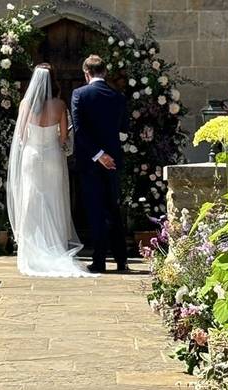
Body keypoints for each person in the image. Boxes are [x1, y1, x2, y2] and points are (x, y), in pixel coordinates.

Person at [7, 64, 94, 278]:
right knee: (54, 198)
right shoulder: (59, 105)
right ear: (53, 80)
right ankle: (54, 246)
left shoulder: (25, 104)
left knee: (31, 199)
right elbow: (64, 138)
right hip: (53, 156)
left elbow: (21, 137)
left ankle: (31, 252)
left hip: (31, 156)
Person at [70, 54, 130, 274]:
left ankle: (99, 261)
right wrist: (108, 153)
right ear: (104, 72)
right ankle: (121, 259)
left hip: (91, 161)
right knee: (113, 209)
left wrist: (98, 154)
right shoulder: (118, 96)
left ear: (87, 73)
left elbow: (79, 130)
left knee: (96, 211)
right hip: (113, 161)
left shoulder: (79, 94)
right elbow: (124, 128)